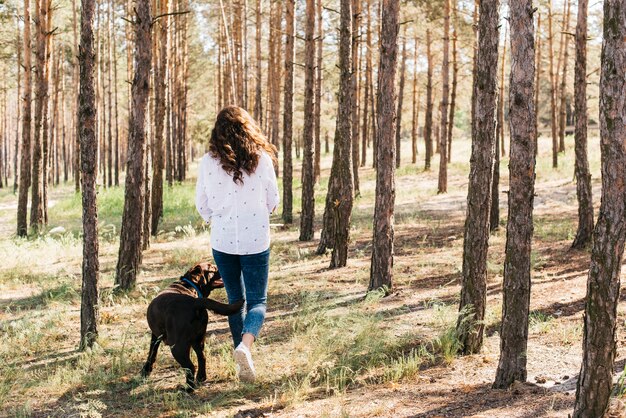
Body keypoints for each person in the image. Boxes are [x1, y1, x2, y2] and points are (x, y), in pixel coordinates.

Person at [195, 106, 279, 383]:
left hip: (223, 240)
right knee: (257, 301)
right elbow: (273, 201)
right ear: (248, 128)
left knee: (235, 301)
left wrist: (216, 219)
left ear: (217, 132)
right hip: (256, 239)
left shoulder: (209, 161)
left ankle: (241, 358)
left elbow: (202, 205)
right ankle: (245, 347)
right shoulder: (262, 159)